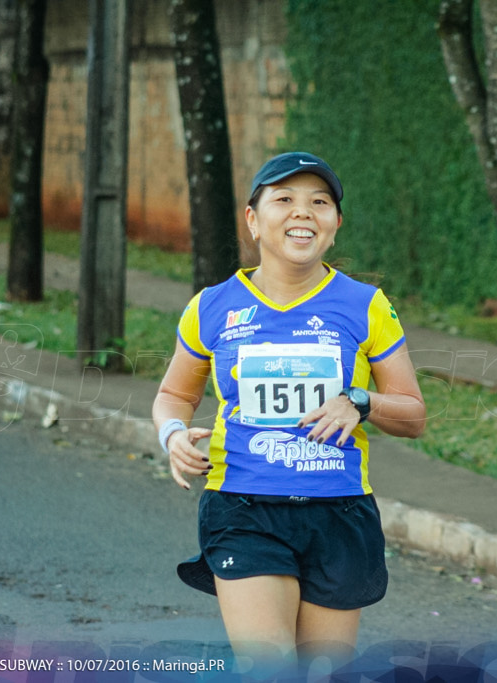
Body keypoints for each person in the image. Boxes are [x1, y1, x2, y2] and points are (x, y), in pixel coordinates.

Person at [152, 152, 426, 672]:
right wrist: (172, 435)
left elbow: (413, 414)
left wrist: (361, 403)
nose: (303, 213)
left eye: (319, 203)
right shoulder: (211, 305)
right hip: (243, 508)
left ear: (335, 225)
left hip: (339, 511)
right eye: (284, 200)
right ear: (253, 220)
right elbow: (174, 396)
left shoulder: (366, 305)